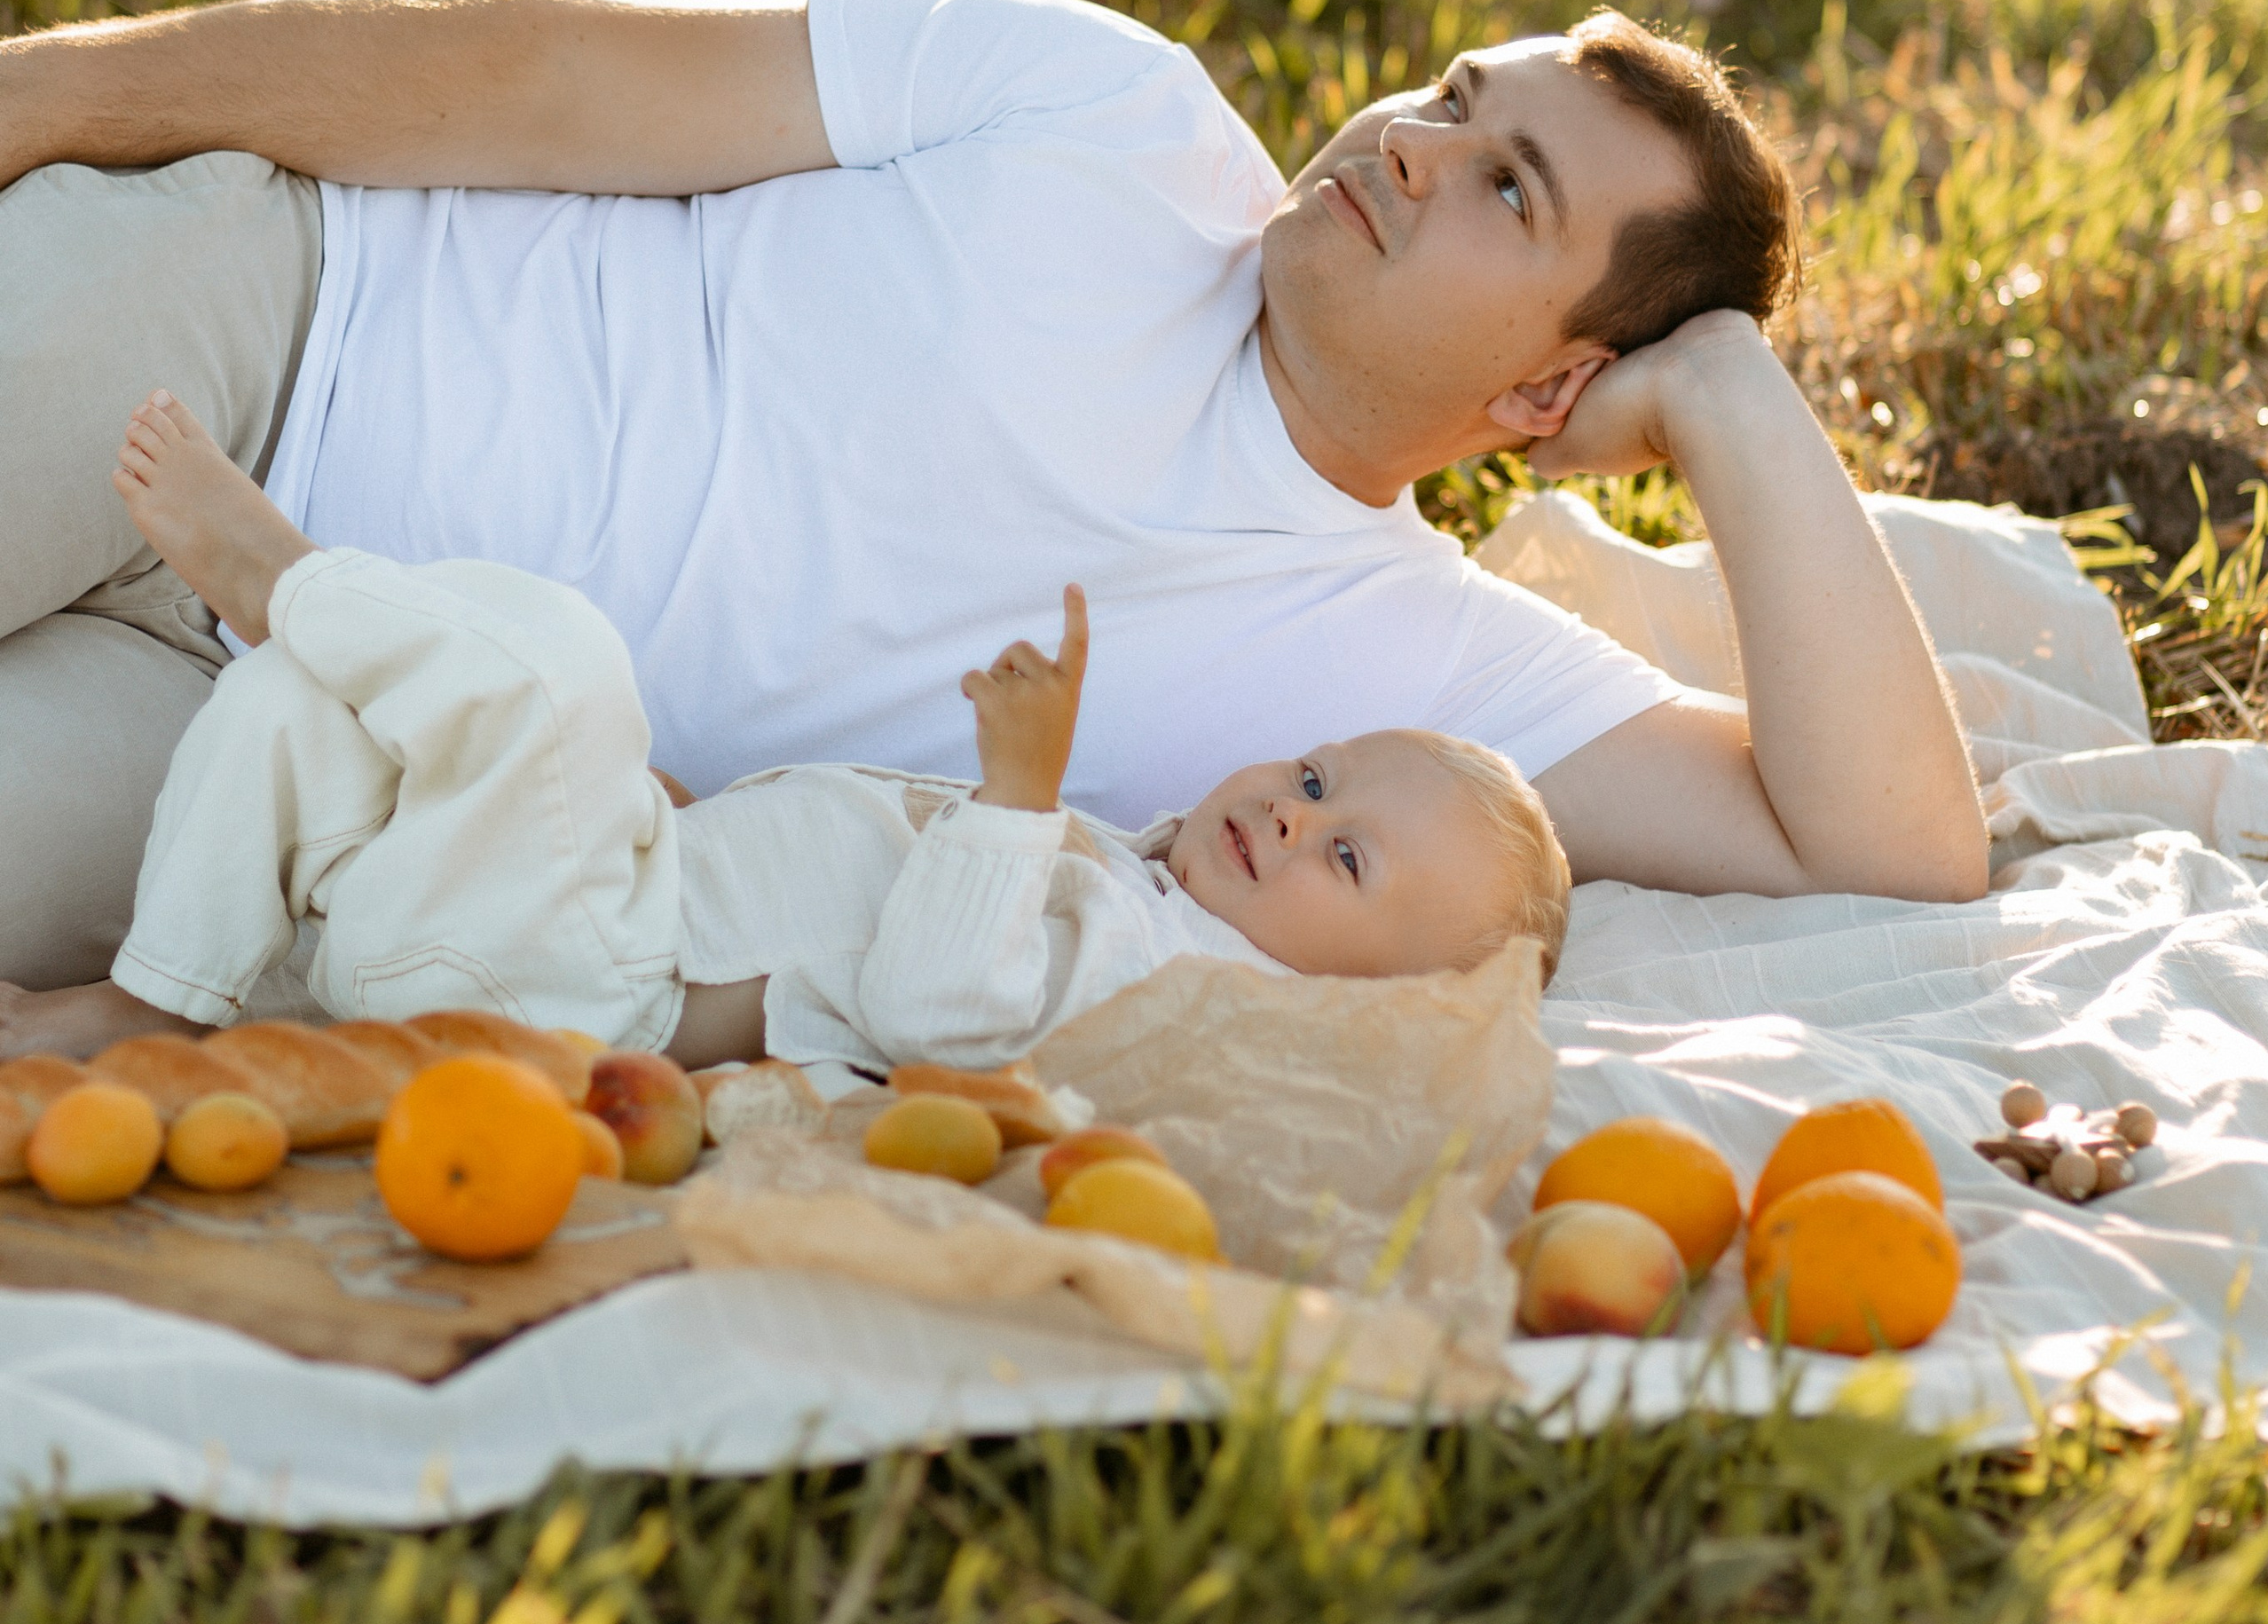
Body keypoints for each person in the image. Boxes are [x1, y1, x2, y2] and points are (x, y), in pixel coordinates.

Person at [0, 0, 1988, 982]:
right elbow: (530, 74)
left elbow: (1889, 852)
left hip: (301, 724)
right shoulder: (1103, 110)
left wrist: (1727, 401)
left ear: (1548, 387)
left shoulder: (1396, 683)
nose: (1409, 143)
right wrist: (52, 94)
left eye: (1502, 188)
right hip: (264, 336)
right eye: (1456, 96)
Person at [0, 392, 1571, 1084]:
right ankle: (154, 1005)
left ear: (1378, 1004)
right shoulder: (1142, 882)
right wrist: (684, 816)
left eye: (1345, 853)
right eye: (1317, 775)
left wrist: (1018, 797)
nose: (1293, 814)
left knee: (558, 671)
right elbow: (816, 877)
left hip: (580, 995)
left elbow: (939, 1010)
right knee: (296, 719)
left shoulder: (1168, 991)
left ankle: (282, 578)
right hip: (585, 908)